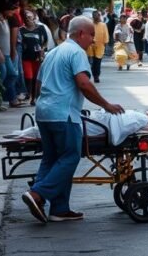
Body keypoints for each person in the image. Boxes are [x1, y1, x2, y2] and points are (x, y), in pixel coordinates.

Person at [21, 16, 124, 224]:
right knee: (70, 157)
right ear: (81, 34)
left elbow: (39, 83)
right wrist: (106, 105)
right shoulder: (77, 52)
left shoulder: (53, 52)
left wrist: (45, 102)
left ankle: (59, 208)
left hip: (44, 112)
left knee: (51, 159)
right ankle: (37, 194)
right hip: (63, 115)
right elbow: (84, 85)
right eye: (92, 35)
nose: (93, 40)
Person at [7, 106, 148, 145]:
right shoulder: (142, 118)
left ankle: (23, 135)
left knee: (53, 129)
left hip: (99, 125)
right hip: (99, 121)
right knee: (50, 128)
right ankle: (22, 135)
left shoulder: (143, 120)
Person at [0, 2, 23, 109]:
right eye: (11, 10)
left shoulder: (7, 21)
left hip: (7, 53)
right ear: (5, 10)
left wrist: (12, 50)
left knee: (12, 74)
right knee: (1, 75)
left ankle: (3, 95)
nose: (13, 12)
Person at [19, 11, 50, 106]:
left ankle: (35, 98)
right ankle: (28, 94)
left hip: (37, 57)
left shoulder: (40, 28)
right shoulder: (21, 30)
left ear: (34, 17)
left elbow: (45, 41)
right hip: (26, 57)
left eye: (29, 17)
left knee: (36, 78)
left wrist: (42, 50)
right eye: (26, 17)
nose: (28, 19)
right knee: (29, 77)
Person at [86, 11, 108, 83]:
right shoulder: (90, 24)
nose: (96, 18)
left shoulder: (103, 25)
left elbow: (105, 35)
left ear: (99, 16)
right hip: (91, 45)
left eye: (97, 16)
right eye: (94, 16)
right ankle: (93, 74)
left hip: (100, 45)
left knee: (97, 61)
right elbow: (87, 33)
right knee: (92, 62)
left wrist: (105, 43)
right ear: (93, 17)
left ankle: (96, 76)